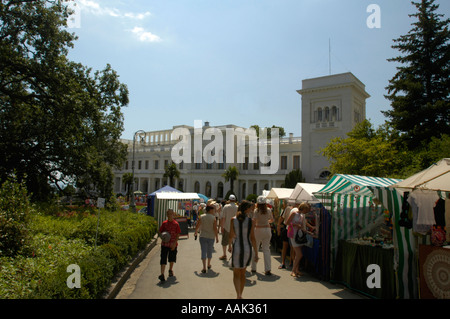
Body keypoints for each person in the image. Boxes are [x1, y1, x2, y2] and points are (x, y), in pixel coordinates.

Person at [228, 200, 258, 299]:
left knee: (236, 273)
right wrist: (256, 253)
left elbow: (231, 235)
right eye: (250, 208)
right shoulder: (251, 221)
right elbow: (253, 237)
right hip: (247, 248)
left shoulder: (233, 219)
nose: (251, 209)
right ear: (246, 209)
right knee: (243, 273)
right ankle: (241, 293)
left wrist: (229, 246)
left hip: (237, 247)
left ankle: (238, 295)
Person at [285, 202, 313, 278]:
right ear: (303, 209)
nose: (306, 212)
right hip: (293, 235)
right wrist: (296, 225)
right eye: (306, 210)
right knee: (299, 254)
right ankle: (293, 270)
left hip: (299, 235)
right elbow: (287, 223)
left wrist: (309, 232)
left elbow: (302, 227)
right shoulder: (294, 213)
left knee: (298, 254)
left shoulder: (301, 215)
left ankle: (296, 270)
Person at [251, 196, 274, 275]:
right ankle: (268, 269)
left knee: (255, 248)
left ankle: (253, 267)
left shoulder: (256, 211)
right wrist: (267, 221)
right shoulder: (268, 210)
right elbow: (272, 220)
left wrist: (252, 230)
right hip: (267, 229)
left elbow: (254, 221)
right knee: (266, 249)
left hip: (258, 229)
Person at [195, 205, 219, 273]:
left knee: (203, 251)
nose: (214, 211)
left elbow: (198, 224)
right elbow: (215, 228)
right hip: (211, 237)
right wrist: (217, 237)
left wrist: (196, 232)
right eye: (213, 210)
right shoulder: (213, 218)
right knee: (209, 251)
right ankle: (208, 264)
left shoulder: (202, 216)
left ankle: (204, 267)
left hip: (203, 236)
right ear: (210, 210)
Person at [158, 209, 181, 282]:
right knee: (163, 258)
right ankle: (162, 274)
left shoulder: (176, 224)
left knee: (172, 258)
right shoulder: (164, 223)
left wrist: (174, 243)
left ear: (173, 215)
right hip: (165, 244)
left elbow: (178, 234)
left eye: (171, 214)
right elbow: (160, 231)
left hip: (172, 244)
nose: (170, 215)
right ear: (167, 215)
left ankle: (170, 270)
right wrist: (162, 236)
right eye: (168, 214)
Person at [277, 200, 296, 269]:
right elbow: (282, 218)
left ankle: (289, 262)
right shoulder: (288, 208)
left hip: (290, 228)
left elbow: (282, 218)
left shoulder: (289, 208)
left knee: (290, 246)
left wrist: (278, 225)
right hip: (289, 228)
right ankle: (285, 262)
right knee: (288, 246)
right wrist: (278, 225)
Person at [219, 194, 238, 261]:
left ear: (229, 200)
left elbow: (223, 218)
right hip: (235, 228)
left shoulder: (226, 207)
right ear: (235, 200)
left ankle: (224, 254)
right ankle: (232, 256)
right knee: (234, 242)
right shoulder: (237, 207)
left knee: (224, 242)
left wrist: (222, 227)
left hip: (227, 226)